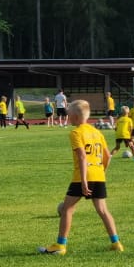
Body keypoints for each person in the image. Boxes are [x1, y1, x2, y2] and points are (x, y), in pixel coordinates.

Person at [39, 99, 122, 255]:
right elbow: (108, 156)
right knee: (103, 211)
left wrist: (84, 180)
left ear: (76, 117)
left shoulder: (76, 133)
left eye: (69, 115)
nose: (68, 118)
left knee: (67, 209)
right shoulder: (97, 132)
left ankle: (60, 245)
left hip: (82, 176)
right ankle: (116, 243)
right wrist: (101, 171)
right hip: (98, 175)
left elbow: (82, 157)